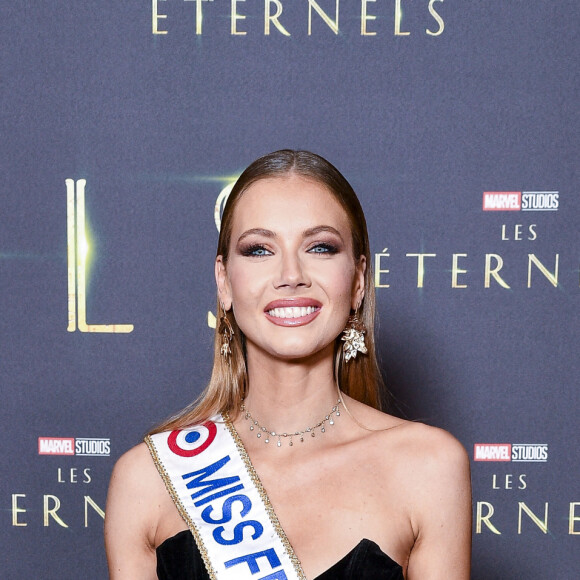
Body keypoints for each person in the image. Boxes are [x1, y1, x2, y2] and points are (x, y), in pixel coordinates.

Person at [105, 150, 472, 579]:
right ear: (224, 282)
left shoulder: (428, 467)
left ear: (357, 282)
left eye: (320, 247)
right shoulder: (148, 479)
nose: (291, 274)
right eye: (260, 249)